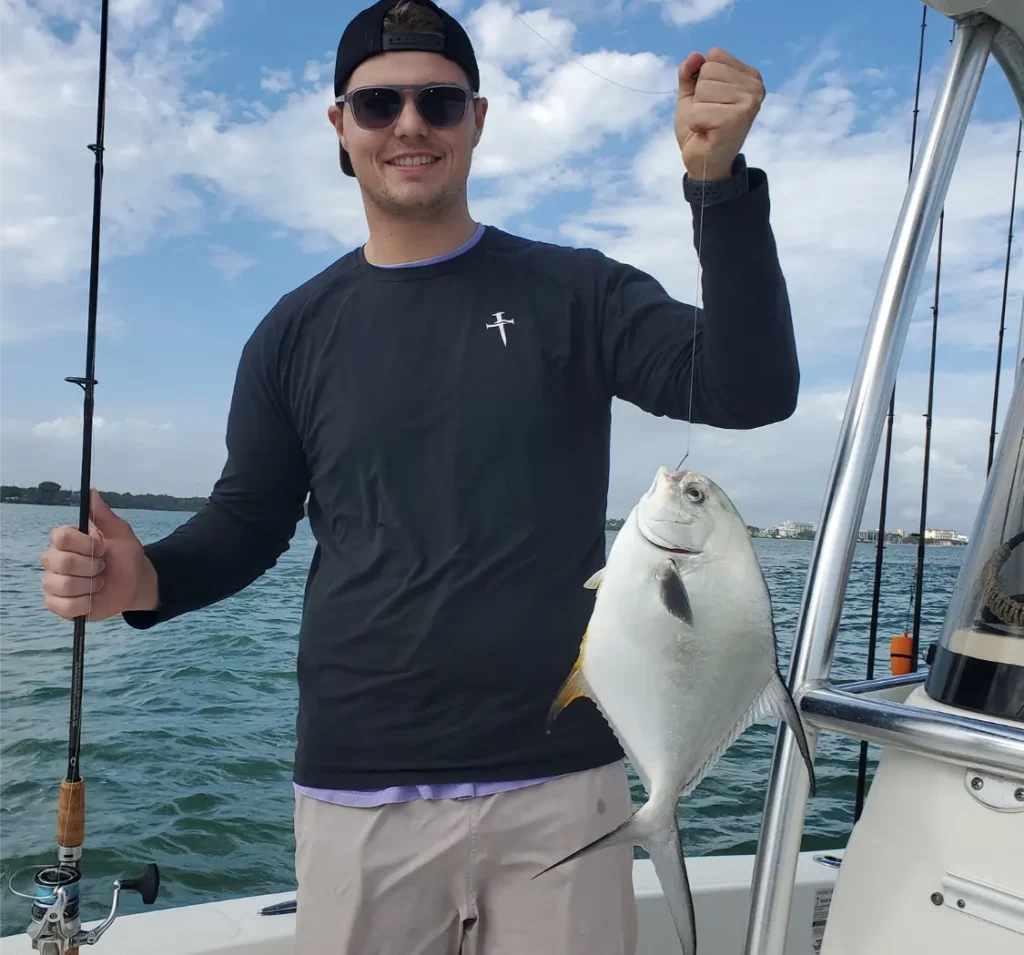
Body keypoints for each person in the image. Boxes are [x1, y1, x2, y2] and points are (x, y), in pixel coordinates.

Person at [39, 0, 798, 952]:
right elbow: (247, 521)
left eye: (438, 102)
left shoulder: (579, 292)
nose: (409, 124)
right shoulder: (293, 331)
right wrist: (138, 579)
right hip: (360, 791)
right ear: (340, 127)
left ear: (477, 120)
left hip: (565, 782)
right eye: (379, 103)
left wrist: (718, 186)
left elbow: (750, 386)